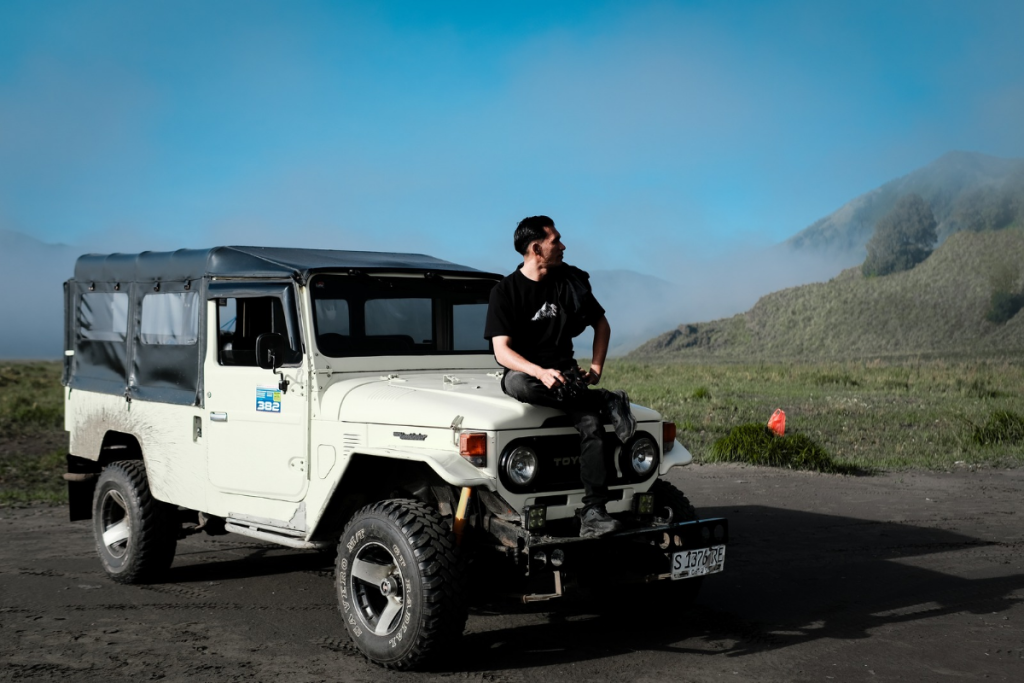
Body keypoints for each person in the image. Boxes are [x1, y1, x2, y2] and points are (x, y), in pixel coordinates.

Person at [484, 215, 636, 538]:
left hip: (567, 378)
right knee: (515, 381)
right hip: (531, 374)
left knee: (592, 425)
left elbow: (602, 325)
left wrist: (595, 369)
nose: (563, 246)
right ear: (537, 248)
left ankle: (594, 512)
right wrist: (540, 371)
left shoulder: (568, 282)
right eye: (556, 241)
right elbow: (502, 352)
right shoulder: (505, 292)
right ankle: (604, 399)